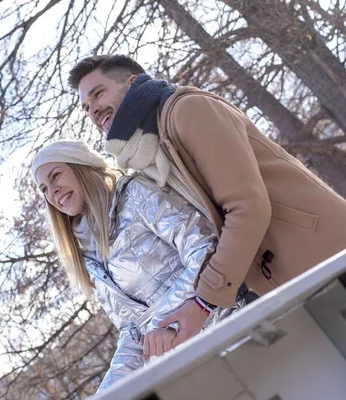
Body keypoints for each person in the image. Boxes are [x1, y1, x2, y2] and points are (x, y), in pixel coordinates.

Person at [68, 54, 346, 351]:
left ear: (132, 83)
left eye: (98, 93)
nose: (93, 110)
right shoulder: (153, 151)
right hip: (288, 278)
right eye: (86, 107)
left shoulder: (187, 111)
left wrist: (202, 302)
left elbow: (247, 208)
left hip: (321, 254)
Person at [31, 139, 241, 392]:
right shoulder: (88, 253)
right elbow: (133, 332)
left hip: (236, 326)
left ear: (82, 168)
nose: (52, 191)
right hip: (196, 366)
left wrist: (162, 325)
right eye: (44, 189)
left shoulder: (134, 194)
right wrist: (108, 393)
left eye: (56, 176)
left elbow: (205, 247)